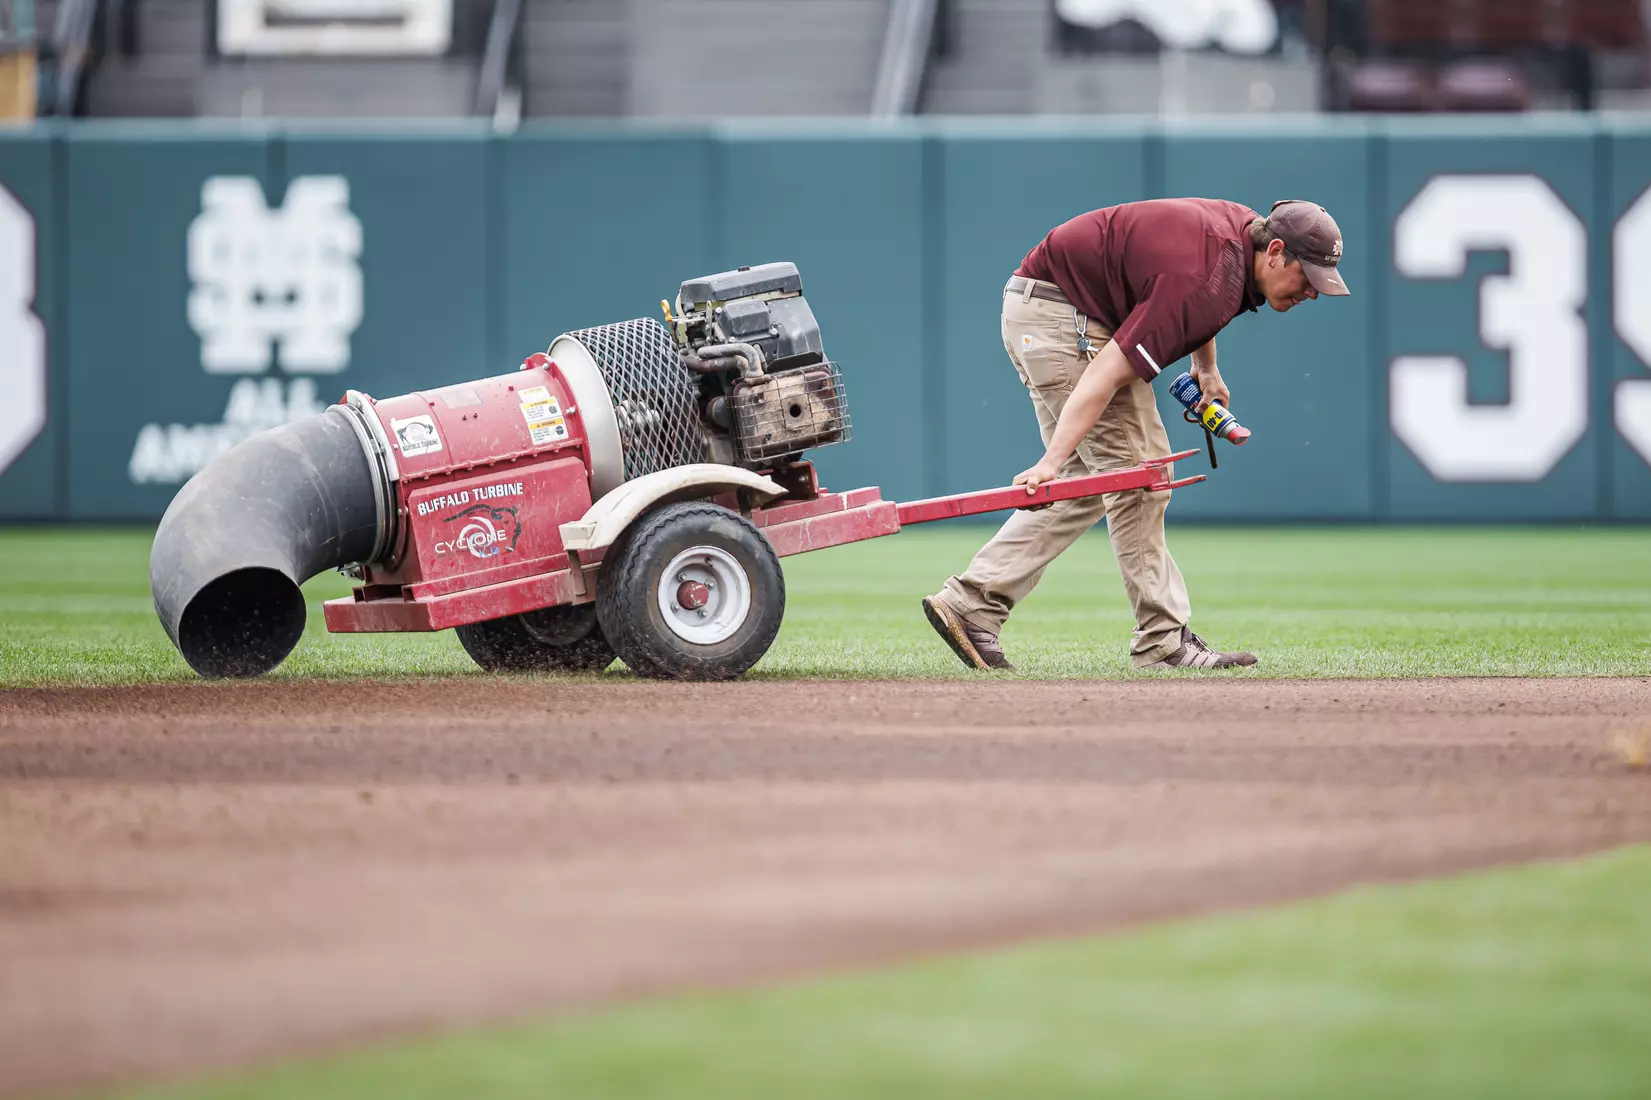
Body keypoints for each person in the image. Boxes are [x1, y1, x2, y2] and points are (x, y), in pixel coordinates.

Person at [922, 197, 1349, 672]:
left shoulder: (1239, 238)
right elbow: (1105, 373)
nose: (1312, 292)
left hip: (1043, 306)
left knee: (1091, 483)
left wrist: (1205, 367)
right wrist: (1051, 461)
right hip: (1066, 318)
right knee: (1141, 477)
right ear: (1273, 252)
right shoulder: (1203, 280)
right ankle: (1163, 641)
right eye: (1306, 277)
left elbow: (1199, 294)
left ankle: (973, 604)